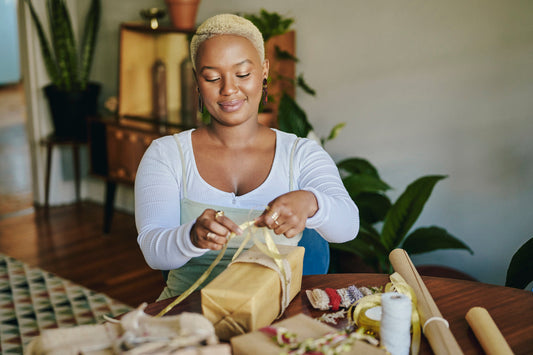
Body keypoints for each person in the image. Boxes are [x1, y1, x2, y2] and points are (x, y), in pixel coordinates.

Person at [134, 14, 359, 300]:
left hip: (279, 317)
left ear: (264, 70)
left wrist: (311, 203)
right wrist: (191, 236)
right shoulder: (166, 154)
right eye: (212, 77)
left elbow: (348, 226)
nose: (228, 89)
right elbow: (154, 252)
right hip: (188, 313)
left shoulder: (301, 154)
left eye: (242, 74)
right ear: (197, 82)